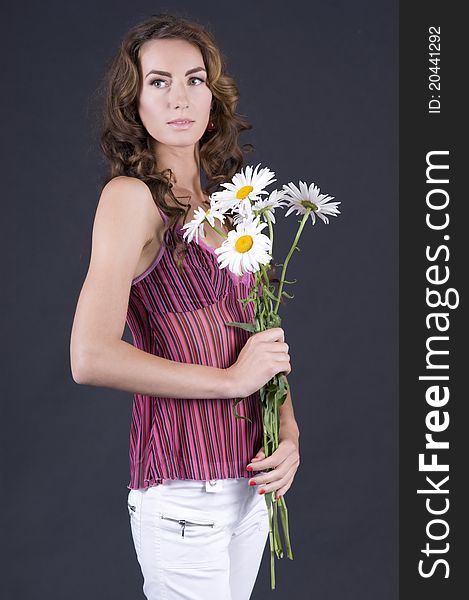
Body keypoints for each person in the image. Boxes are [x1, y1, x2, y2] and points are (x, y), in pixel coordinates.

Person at [70, 13, 300, 600]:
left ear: (214, 97)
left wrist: (289, 431)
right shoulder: (130, 200)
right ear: (134, 103)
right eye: (159, 81)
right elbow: (90, 356)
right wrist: (229, 383)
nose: (180, 97)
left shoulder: (231, 211)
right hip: (181, 487)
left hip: (249, 484)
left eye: (194, 80)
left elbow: (262, 342)